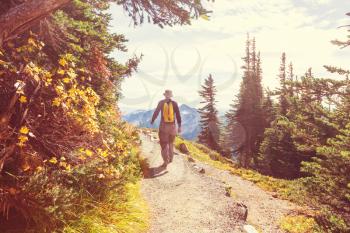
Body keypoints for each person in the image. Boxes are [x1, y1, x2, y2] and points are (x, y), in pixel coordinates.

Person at [151, 90, 181, 168]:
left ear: (165, 95)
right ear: (171, 95)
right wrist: (180, 126)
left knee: (164, 144)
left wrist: (152, 120)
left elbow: (156, 112)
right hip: (173, 127)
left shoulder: (161, 102)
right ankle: (170, 158)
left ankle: (165, 161)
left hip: (164, 126)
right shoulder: (174, 103)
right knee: (171, 143)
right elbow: (178, 115)